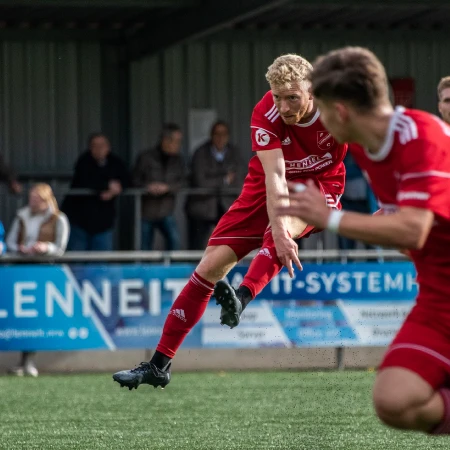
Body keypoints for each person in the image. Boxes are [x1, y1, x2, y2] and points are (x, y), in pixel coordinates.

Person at [112, 54, 347, 391]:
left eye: (292, 97)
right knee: (208, 267)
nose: (283, 106)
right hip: (265, 183)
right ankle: (158, 365)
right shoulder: (266, 113)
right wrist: (278, 230)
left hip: (320, 185)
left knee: (283, 227)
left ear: (313, 91)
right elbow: (276, 176)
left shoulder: (339, 110)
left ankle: (243, 296)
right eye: (277, 96)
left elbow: (377, 150)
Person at [277, 46, 450, 435]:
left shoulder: (423, 137)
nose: (317, 119)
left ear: (340, 112)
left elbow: (412, 231)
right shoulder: (364, 146)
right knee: (393, 401)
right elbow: (415, 235)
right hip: (439, 300)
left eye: (319, 109)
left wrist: (331, 218)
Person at [6, 183, 70, 376]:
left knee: (36, 317)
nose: (32, 202)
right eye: (31, 198)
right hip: (22, 268)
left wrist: (45, 248)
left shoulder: (58, 218)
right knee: (20, 316)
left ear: (46, 200)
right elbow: (10, 240)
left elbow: (60, 247)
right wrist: (20, 249)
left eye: (36, 199)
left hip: (44, 271)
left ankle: (28, 361)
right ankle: (23, 361)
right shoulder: (22, 215)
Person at [62, 133, 129, 251]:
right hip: (79, 220)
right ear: (90, 148)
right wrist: (106, 186)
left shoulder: (115, 162)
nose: (99, 149)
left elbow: (127, 180)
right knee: (77, 262)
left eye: (102, 145)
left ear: (108, 147)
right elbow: (85, 179)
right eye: (95, 145)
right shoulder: (83, 161)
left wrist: (117, 189)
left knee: (101, 264)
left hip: (103, 223)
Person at [185, 120, 244, 249]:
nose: (220, 137)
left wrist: (213, 180)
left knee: (230, 244)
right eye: (217, 134)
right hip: (202, 207)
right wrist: (224, 180)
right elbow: (201, 182)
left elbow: (239, 180)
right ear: (211, 135)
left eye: (223, 134)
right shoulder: (200, 153)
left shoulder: (235, 153)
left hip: (228, 206)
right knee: (199, 245)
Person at [132, 123, 185, 251]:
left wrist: (168, 188)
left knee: (175, 241)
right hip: (146, 211)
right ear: (166, 140)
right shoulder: (146, 157)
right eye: (176, 141)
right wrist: (148, 187)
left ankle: (173, 271)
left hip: (166, 210)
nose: (179, 145)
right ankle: (144, 271)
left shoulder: (178, 161)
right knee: (144, 247)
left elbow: (185, 181)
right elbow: (134, 179)